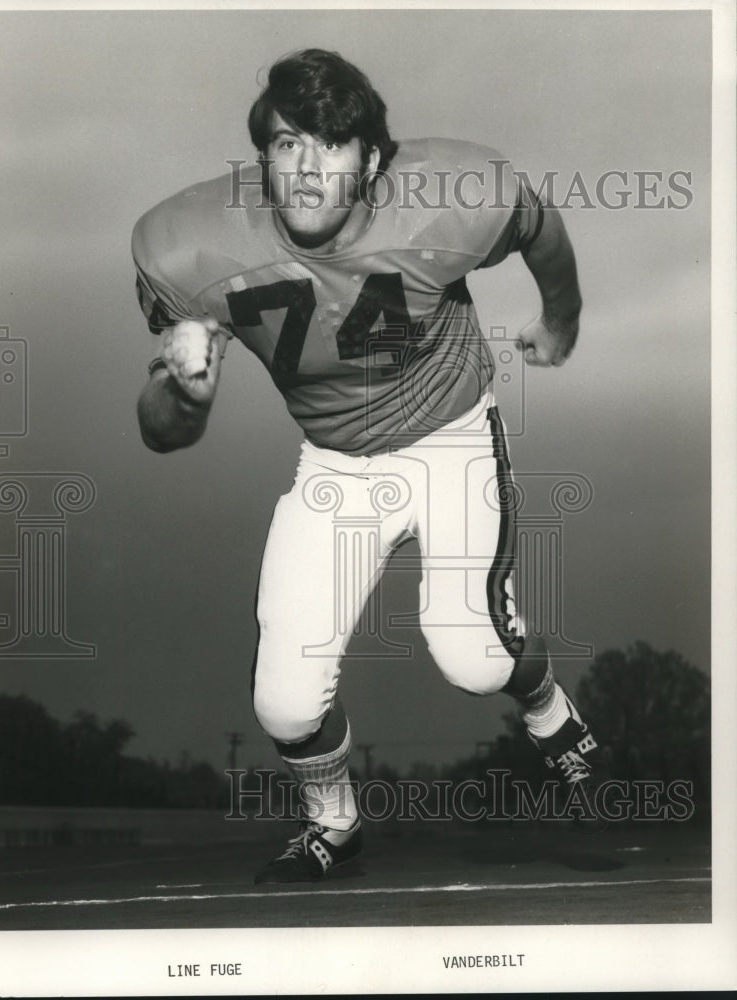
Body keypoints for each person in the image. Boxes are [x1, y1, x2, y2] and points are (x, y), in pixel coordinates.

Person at [133, 48, 598, 884]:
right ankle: (335, 823)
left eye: (331, 143)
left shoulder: (451, 197)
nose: (307, 167)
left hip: (450, 435)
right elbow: (161, 434)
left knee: (474, 659)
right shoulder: (190, 245)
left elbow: (541, 229)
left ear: (374, 161)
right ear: (260, 157)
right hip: (336, 462)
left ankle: (544, 706)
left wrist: (559, 319)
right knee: (281, 700)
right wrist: (185, 393)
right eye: (285, 144)